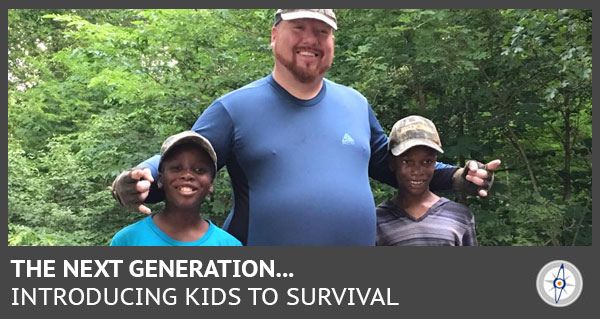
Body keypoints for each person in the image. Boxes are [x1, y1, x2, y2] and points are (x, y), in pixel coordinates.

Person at [111, 9, 500, 246]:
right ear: (274, 35)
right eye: (300, 27)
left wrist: (458, 179)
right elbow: (185, 160)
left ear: (333, 42)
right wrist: (141, 179)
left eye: (322, 31)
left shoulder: (354, 103)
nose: (311, 40)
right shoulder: (235, 108)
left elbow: (391, 164)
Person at [110, 131, 241, 246]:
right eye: (176, 168)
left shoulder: (228, 244)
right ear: (160, 179)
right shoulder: (128, 240)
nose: (187, 175)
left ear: (211, 184)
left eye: (199, 170)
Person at [376, 116, 477, 246]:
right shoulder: (378, 220)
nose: (417, 171)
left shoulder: (460, 217)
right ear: (392, 163)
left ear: (435, 163)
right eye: (407, 162)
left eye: (426, 162)